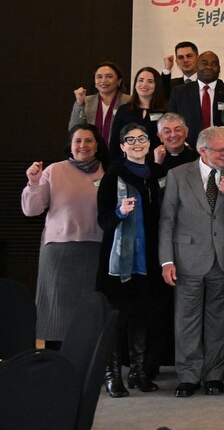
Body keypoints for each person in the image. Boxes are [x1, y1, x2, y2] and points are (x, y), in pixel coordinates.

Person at [159, 125, 224, 398]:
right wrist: (166, 260)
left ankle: (213, 375)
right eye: (221, 150)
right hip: (187, 259)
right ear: (202, 151)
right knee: (187, 320)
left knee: (219, 321)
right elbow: (167, 219)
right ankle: (188, 376)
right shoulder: (177, 175)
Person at [98, 123, 168, 397]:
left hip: (150, 259)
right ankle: (112, 375)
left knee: (143, 316)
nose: (138, 143)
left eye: (142, 138)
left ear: (150, 144)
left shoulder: (159, 173)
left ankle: (138, 372)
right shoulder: (113, 175)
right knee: (118, 319)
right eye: (131, 139)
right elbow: (103, 221)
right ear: (122, 146)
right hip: (119, 263)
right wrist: (120, 211)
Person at [22, 125, 105, 351]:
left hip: (94, 249)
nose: (83, 146)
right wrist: (33, 182)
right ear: (70, 144)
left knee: (87, 311)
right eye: (78, 141)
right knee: (55, 312)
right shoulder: (53, 170)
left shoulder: (107, 172)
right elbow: (31, 210)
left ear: (97, 144)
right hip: (58, 252)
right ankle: (54, 364)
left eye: (88, 141)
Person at [168, 51, 224, 138]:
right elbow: (171, 121)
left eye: (214, 64)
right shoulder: (179, 92)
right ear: (196, 67)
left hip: (221, 145)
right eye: (204, 63)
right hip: (189, 147)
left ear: (219, 69)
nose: (209, 67)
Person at [109, 67, 168, 157]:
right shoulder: (123, 110)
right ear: (135, 84)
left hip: (157, 163)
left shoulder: (166, 112)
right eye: (140, 80)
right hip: (126, 164)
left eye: (150, 81)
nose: (144, 84)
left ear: (157, 85)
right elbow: (115, 141)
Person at [70, 61, 130, 138]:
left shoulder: (129, 101)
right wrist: (80, 104)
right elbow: (73, 130)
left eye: (109, 76)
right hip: (92, 149)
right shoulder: (86, 101)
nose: (103, 80)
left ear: (119, 81)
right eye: (99, 77)